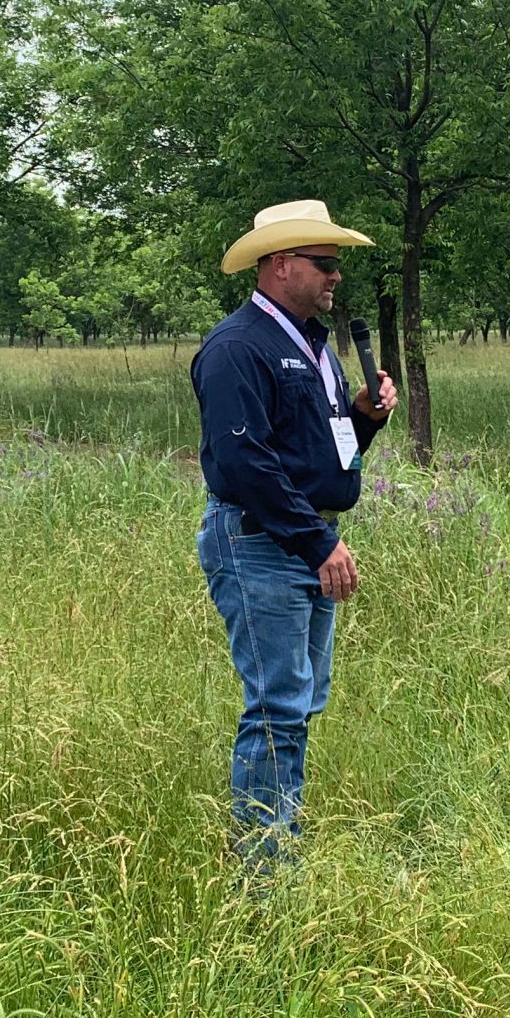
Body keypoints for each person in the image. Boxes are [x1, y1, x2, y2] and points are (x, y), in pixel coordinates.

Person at [192, 199, 399, 868]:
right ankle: (264, 872)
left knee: (299, 703)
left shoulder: (312, 347)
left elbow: (315, 453)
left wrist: (363, 418)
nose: (336, 276)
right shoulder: (237, 348)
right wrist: (318, 543)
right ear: (280, 265)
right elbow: (244, 462)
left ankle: (279, 844)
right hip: (262, 540)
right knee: (277, 707)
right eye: (324, 263)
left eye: (336, 265)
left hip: (300, 539)